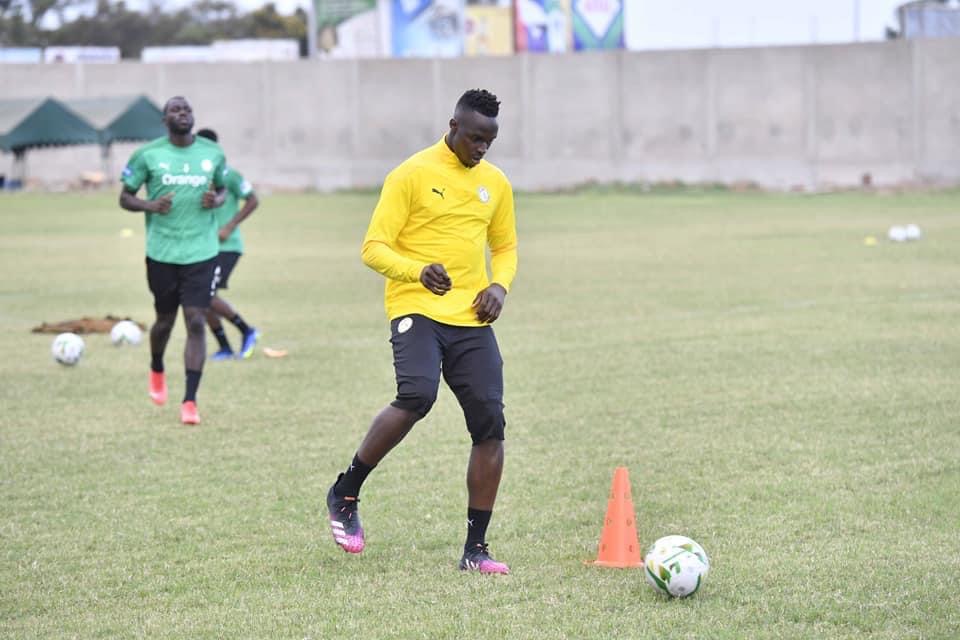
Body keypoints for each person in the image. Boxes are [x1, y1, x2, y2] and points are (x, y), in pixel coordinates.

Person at [326, 89, 518, 574]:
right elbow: (373, 248)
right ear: (452, 126)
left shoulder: (495, 184)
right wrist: (416, 271)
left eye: (489, 141)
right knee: (416, 395)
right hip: (416, 305)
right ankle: (346, 490)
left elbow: (507, 246)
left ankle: (476, 551)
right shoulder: (410, 174)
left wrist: (500, 285)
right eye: (475, 138)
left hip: (471, 316)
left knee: (490, 426)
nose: (481, 149)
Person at [118, 96, 227, 425]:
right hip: (162, 253)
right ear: (164, 121)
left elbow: (222, 190)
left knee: (195, 320)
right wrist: (151, 206)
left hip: (202, 252)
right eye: (175, 110)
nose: (183, 114)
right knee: (164, 321)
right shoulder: (148, 155)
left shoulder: (212, 153)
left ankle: (190, 401)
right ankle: (156, 367)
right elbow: (124, 197)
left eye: (187, 109)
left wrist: (215, 199)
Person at [194, 128, 260, 361]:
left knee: (205, 295)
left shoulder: (228, 175)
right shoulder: (196, 176)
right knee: (202, 299)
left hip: (226, 246)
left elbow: (253, 200)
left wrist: (230, 226)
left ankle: (247, 330)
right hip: (202, 247)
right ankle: (224, 347)